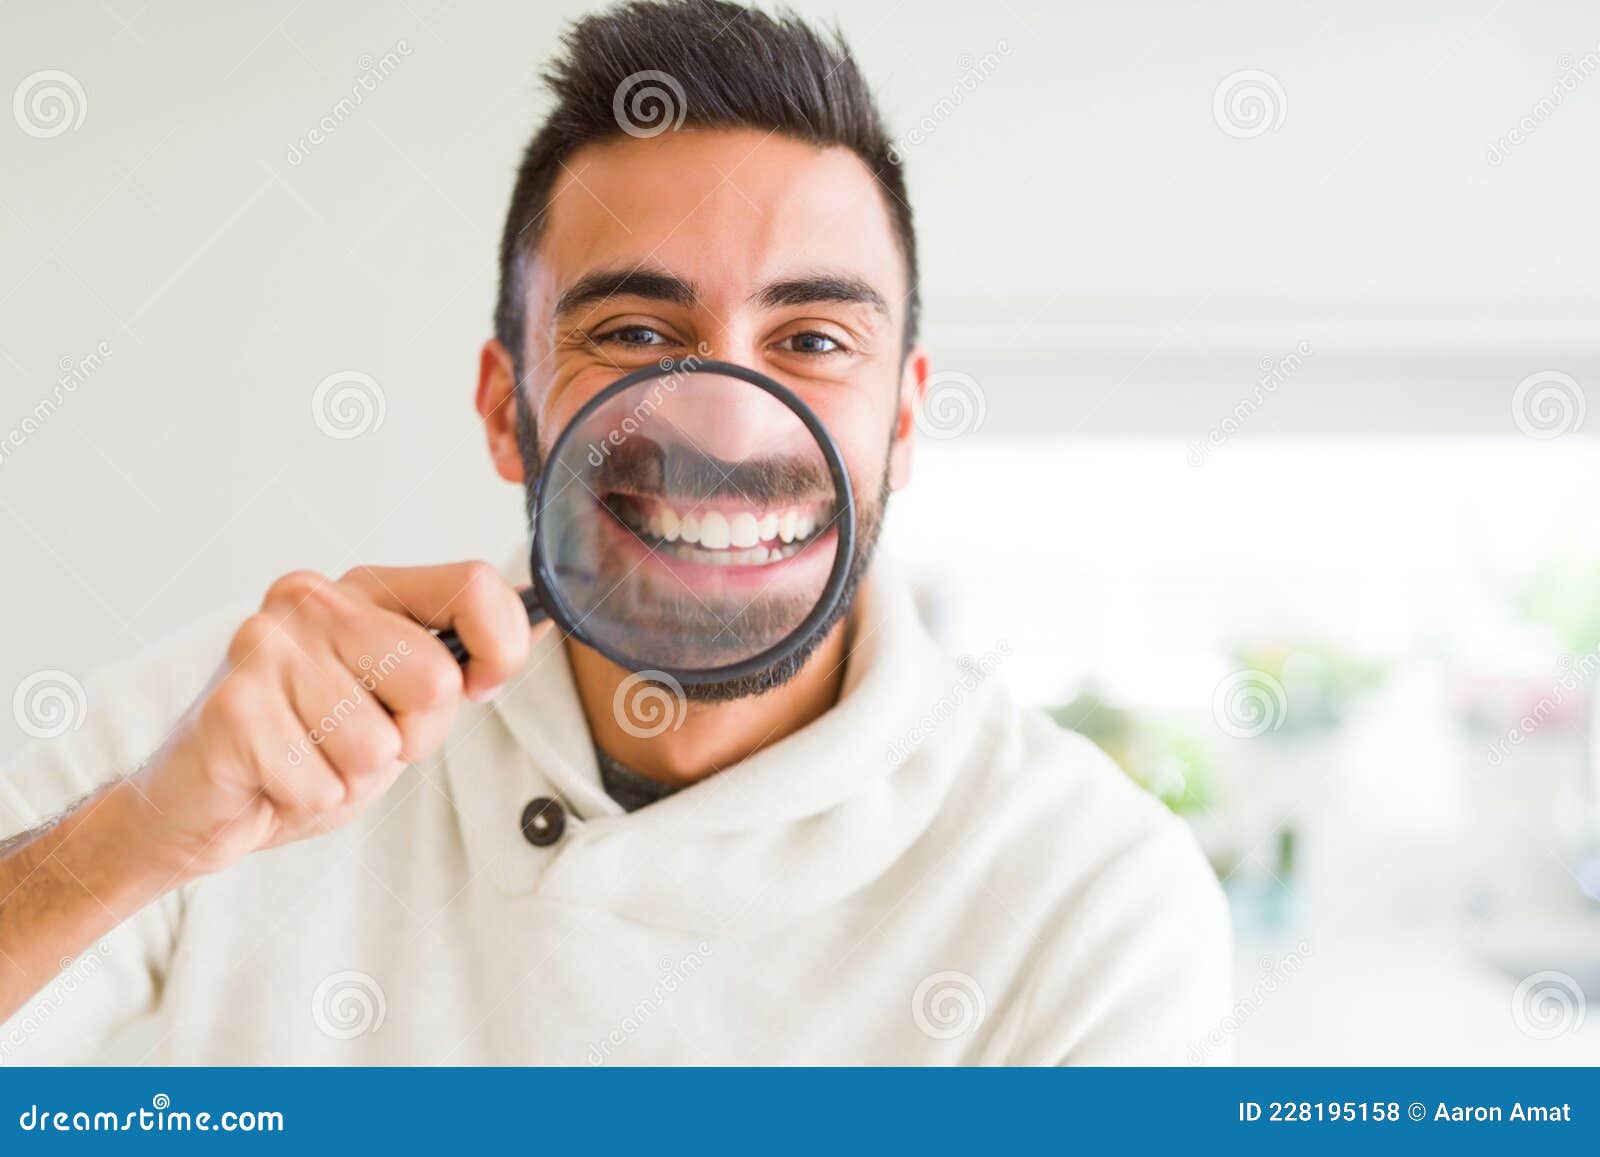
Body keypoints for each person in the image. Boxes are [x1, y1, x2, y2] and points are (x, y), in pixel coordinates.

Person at [0, 0, 1229, 1064]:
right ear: (503, 406)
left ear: (904, 423)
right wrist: (130, 840)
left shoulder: (1090, 891)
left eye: (811, 340)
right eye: (635, 334)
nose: (728, 430)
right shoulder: (241, 719)